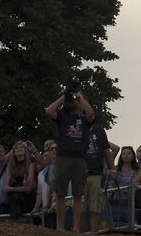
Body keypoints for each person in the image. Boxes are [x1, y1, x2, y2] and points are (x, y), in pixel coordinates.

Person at [45, 85, 95, 232]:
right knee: (60, 194)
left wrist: (79, 97)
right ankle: (60, 228)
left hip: (80, 158)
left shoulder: (85, 119)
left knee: (78, 194)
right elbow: (49, 111)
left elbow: (91, 112)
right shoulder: (62, 116)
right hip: (63, 157)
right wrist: (63, 96)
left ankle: (76, 228)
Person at [82, 124, 115, 233]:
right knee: (80, 206)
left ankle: (93, 233)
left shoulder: (99, 130)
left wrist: (113, 169)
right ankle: (77, 232)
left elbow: (106, 151)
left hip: (96, 173)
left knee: (95, 207)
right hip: (79, 174)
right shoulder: (75, 128)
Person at [4, 141, 36, 220]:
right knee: (15, 196)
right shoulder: (10, 166)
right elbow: (5, 188)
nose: (19, 149)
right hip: (14, 198)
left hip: (27, 197)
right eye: (16, 148)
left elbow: (29, 188)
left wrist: (12, 189)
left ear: (25, 151)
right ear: (13, 152)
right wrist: (21, 188)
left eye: (21, 147)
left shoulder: (30, 164)